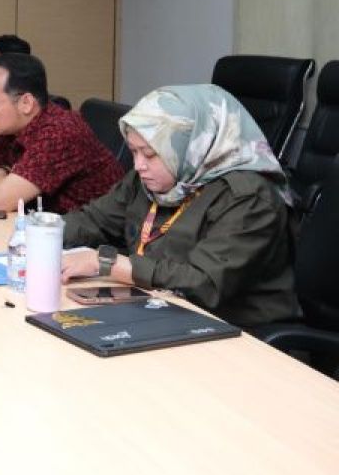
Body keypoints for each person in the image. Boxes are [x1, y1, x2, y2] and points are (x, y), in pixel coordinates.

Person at [60, 84, 298, 328]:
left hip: (234, 328)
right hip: (158, 307)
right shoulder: (146, 181)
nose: (139, 165)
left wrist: (106, 263)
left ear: (191, 147)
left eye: (150, 154)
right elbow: (93, 220)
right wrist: (42, 233)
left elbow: (203, 283)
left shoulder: (248, 197)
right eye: (133, 152)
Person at [0, 53, 123, 211]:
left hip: (90, 225)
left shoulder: (59, 133)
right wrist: (3, 186)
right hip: (42, 220)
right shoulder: (9, 126)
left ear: (26, 103)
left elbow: (0, 203)